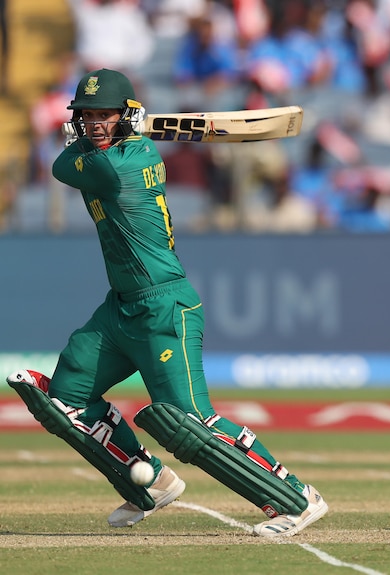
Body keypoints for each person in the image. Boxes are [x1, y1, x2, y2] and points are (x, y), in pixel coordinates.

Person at [5, 68, 327, 537]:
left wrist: (76, 136)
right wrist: (110, 129)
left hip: (164, 308)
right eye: (86, 115)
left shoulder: (116, 165)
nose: (93, 124)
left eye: (103, 115)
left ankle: (295, 498)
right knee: (67, 398)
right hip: (122, 308)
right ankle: (150, 484)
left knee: (187, 421)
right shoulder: (132, 146)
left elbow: (59, 166)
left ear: (126, 115)